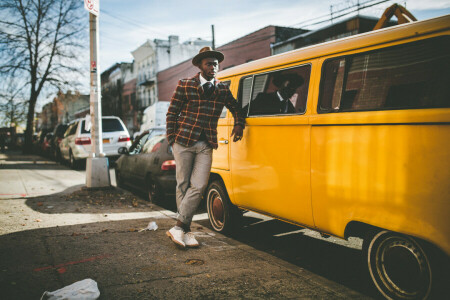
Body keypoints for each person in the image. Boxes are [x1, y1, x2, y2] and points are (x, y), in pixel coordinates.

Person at [166, 47, 245, 248]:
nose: (213, 67)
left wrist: (239, 124)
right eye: (209, 64)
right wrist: (171, 139)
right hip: (183, 141)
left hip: (206, 143)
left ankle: (178, 227)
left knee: (199, 185)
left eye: (216, 64)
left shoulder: (223, 89)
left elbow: (236, 108)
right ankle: (186, 230)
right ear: (200, 66)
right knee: (182, 184)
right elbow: (171, 113)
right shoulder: (185, 85)